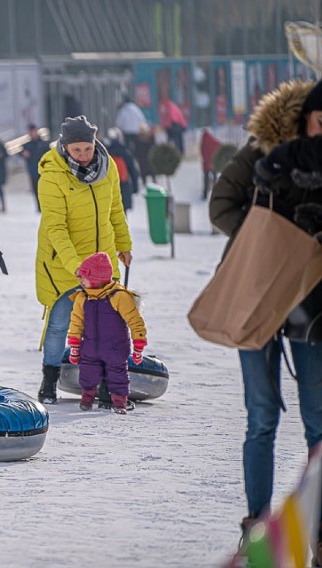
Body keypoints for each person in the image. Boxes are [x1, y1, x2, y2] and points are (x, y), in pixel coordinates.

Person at [209, 78, 322, 555]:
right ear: (302, 117)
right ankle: (255, 522)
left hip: (311, 305)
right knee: (261, 416)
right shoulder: (261, 152)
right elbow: (221, 207)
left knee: (318, 421)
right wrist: (264, 240)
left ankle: (316, 529)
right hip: (256, 294)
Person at [34, 115, 133, 407]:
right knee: (60, 324)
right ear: (65, 147)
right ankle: (49, 381)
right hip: (64, 263)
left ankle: (103, 387)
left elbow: (116, 209)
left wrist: (124, 245)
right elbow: (56, 228)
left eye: (87, 149)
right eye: (76, 150)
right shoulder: (52, 175)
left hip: (101, 262)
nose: (83, 155)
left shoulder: (108, 166)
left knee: (102, 327)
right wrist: (76, 266)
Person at [66, 252, 147, 415]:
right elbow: (76, 322)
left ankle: (119, 402)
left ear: (96, 278)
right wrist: (74, 345)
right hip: (90, 346)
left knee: (118, 375)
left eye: (83, 277)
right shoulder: (82, 297)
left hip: (115, 348)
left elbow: (135, 321)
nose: (80, 281)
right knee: (87, 374)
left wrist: (139, 345)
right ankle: (86, 400)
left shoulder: (119, 297)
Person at [105, 128, 139, 213]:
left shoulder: (106, 152)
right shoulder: (125, 152)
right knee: (123, 211)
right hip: (124, 184)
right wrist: (135, 187)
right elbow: (133, 171)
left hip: (110, 184)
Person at [20, 124, 51, 212]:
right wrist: (23, 154)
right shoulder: (27, 145)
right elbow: (21, 154)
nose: (32, 133)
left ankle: (46, 206)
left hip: (44, 171)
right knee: (36, 190)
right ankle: (39, 207)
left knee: (46, 190)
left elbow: (50, 155)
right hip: (33, 171)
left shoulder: (44, 144)